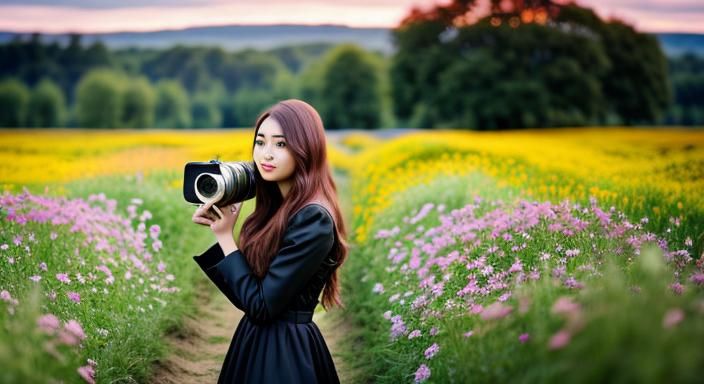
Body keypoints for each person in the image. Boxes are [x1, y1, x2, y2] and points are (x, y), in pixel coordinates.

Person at [191, 99, 348, 383]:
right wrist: (221, 227)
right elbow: (250, 298)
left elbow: (262, 307)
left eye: (281, 144)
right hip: (256, 341)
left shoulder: (314, 218)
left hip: (285, 354)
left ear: (306, 148)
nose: (266, 154)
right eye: (260, 142)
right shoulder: (278, 207)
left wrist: (226, 238)